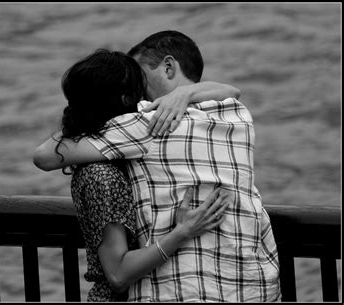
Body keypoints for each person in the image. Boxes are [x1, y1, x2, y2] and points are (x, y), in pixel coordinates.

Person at [34, 30, 281, 302]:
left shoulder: (146, 124)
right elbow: (232, 90)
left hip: (185, 292)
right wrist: (187, 92)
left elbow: (45, 156)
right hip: (256, 286)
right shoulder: (237, 114)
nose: (138, 89)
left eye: (140, 75)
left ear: (168, 66)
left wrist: (80, 115)